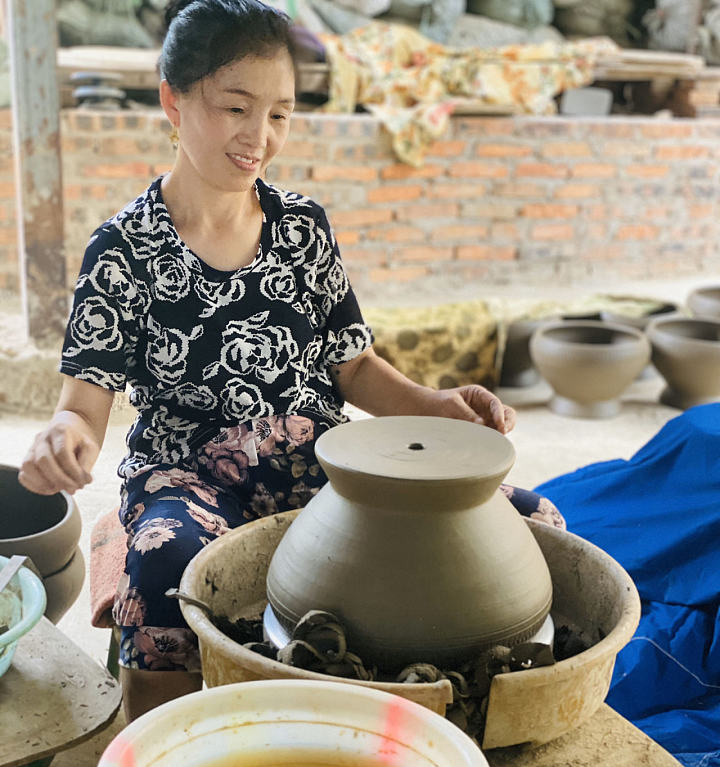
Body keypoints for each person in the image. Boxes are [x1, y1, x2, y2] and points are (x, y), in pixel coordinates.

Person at [19, 0, 539, 722]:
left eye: (281, 115)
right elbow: (83, 406)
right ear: (174, 101)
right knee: (168, 560)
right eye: (236, 107)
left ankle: (435, 740)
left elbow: (353, 368)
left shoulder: (303, 227)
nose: (258, 136)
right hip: (190, 475)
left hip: (321, 469)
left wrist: (438, 406)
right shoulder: (123, 250)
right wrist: (62, 439)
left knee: (529, 524)